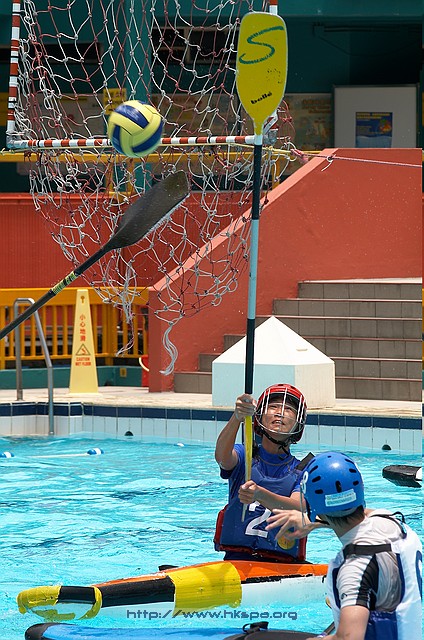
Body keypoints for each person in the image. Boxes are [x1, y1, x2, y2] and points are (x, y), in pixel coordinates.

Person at [266, 451, 422, 640]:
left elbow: (349, 637)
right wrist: (313, 522)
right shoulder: (395, 524)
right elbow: (361, 517)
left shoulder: (355, 568)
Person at [214, 383, 311, 562]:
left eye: (288, 409)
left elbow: (298, 507)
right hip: (236, 560)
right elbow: (222, 457)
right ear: (259, 417)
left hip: (283, 564)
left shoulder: (304, 470)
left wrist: (260, 494)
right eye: (273, 407)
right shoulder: (244, 456)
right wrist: (237, 417)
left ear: (298, 423)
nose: (280, 413)